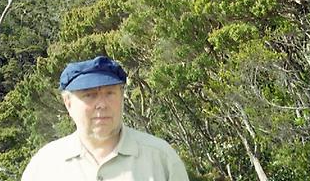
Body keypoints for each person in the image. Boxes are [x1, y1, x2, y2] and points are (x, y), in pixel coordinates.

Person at [21, 55, 190, 181]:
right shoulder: (45, 165)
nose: (102, 104)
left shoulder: (160, 158)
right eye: (90, 95)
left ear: (122, 95)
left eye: (110, 93)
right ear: (68, 103)